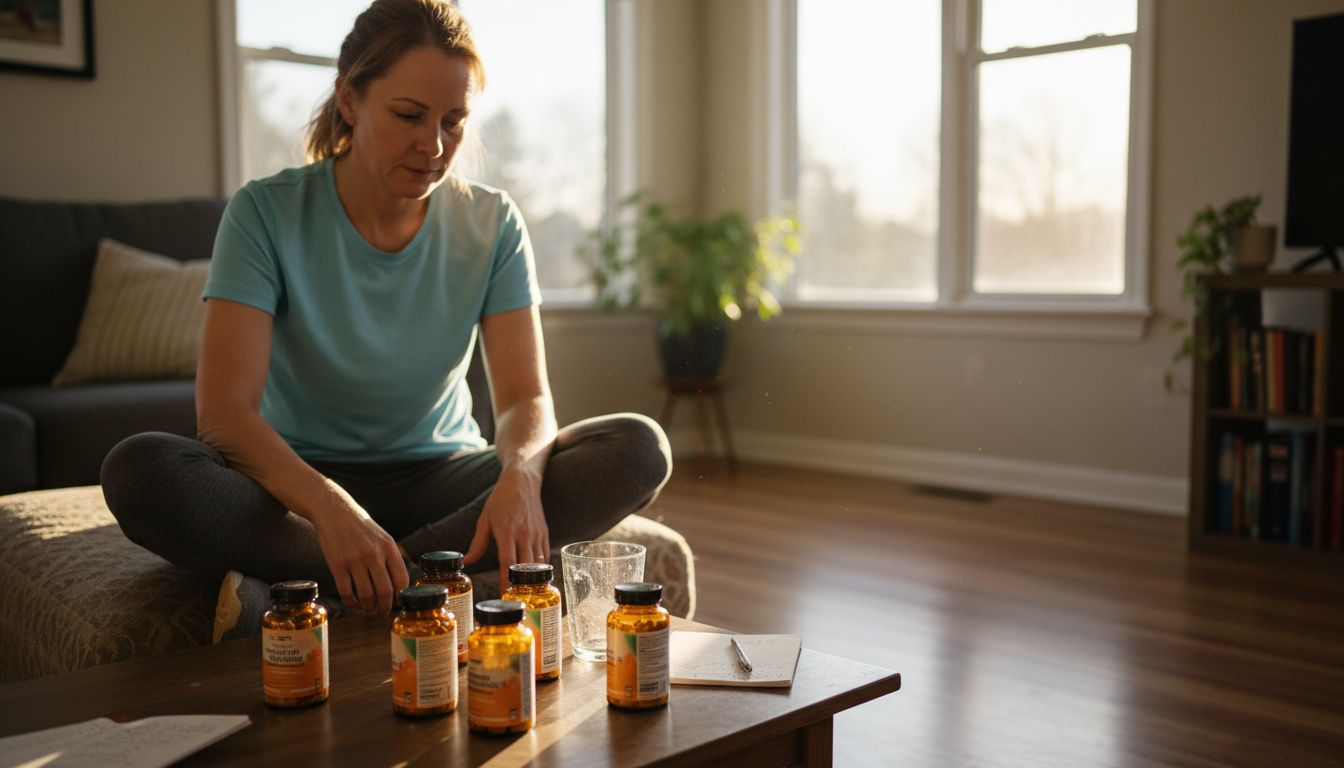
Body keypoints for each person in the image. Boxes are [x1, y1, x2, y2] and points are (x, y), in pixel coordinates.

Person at [101, 0, 671, 641]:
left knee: (637, 448)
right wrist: (327, 507)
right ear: (349, 100)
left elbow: (524, 397)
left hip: (444, 478)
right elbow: (225, 415)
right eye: (408, 115)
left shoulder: (493, 222)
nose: (433, 147)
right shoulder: (264, 212)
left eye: (453, 122)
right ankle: (418, 579)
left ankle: (341, 590)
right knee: (140, 470)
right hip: (299, 486)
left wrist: (520, 475)